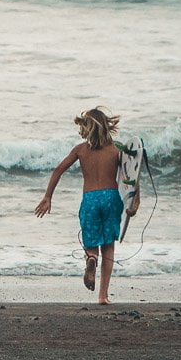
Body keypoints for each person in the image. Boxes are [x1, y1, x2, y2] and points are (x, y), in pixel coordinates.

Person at [34, 107, 124, 304]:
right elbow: (131, 178)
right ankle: (103, 295)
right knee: (108, 245)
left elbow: (58, 170)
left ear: (87, 129)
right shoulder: (116, 150)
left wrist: (47, 197)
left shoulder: (80, 150)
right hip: (111, 197)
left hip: (90, 199)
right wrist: (135, 201)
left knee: (92, 243)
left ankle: (91, 258)